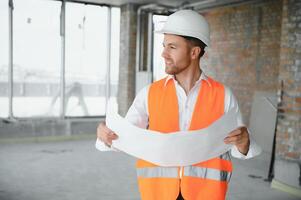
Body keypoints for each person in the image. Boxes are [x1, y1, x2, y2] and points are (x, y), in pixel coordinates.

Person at [96, 9, 261, 200]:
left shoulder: (223, 95)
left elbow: (240, 146)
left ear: (194, 52)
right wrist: (105, 136)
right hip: (159, 194)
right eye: (164, 46)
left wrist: (244, 142)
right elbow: (124, 137)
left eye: (172, 47)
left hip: (205, 194)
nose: (164, 54)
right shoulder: (150, 93)